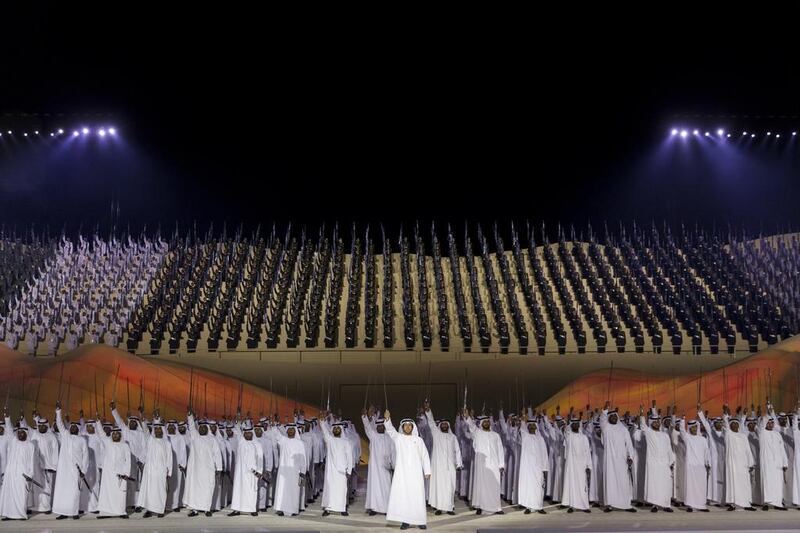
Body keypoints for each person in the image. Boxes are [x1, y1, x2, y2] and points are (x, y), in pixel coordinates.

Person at [383, 410, 431, 530]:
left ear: (413, 427)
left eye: (410, 425)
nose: (408, 427)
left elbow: (425, 456)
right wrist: (388, 419)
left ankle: (420, 521)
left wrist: (427, 471)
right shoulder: (399, 438)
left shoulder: (419, 440)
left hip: (416, 475)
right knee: (404, 497)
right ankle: (406, 521)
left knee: (418, 496)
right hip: (402, 474)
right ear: (403, 427)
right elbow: (390, 430)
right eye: (406, 425)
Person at [461, 410, 505, 515]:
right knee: (481, 485)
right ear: (481, 424)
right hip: (481, 464)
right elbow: (471, 426)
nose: (486, 423)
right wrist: (467, 417)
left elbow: (500, 450)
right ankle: (480, 506)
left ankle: (497, 508)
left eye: (488, 421)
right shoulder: (477, 433)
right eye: (484, 422)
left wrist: (501, 464)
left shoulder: (496, 435)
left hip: (494, 464)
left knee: (495, 485)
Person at [423, 402, 462, 516]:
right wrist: (428, 410)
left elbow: (457, 451)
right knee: (439, 487)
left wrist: (458, 464)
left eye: (446, 424)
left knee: (450, 487)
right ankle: (439, 508)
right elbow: (430, 422)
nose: (444, 426)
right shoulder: (436, 434)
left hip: (450, 467)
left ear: (448, 426)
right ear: (440, 426)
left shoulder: (453, 437)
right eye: (442, 424)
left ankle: (449, 508)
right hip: (438, 467)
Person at [51, 404, 89, 520]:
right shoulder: (65, 435)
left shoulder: (82, 440)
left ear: (78, 429)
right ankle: (63, 512)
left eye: (75, 427)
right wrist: (58, 411)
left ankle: (74, 512)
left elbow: (86, 456)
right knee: (63, 491)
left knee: (74, 491)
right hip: (64, 469)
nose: (73, 428)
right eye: (71, 426)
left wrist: (83, 470)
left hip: (75, 469)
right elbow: (60, 424)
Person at [183, 410, 223, 517]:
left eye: (204, 427)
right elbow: (191, 427)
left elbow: (217, 454)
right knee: (195, 489)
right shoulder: (195, 437)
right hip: (196, 471)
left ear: (207, 428)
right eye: (200, 427)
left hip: (208, 470)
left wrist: (218, 468)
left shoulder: (212, 439)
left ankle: (207, 509)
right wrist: (190, 416)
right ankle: (194, 510)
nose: (202, 428)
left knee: (208, 489)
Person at [599, 402, 637, 513]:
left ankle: (626, 505)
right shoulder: (606, 428)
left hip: (622, 460)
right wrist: (605, 409)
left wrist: (631, 456)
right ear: (608, 418)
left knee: (623, 482)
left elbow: (629, 444)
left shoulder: (623, 429)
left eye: (616, 416)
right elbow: (602, 420)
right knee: (610, 482)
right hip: (610, 460)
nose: (614, 417)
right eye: (612, 416)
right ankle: (610, 505)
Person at [638, 404, 675, 513]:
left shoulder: (665, 435)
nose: (657, 423)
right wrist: (641, 413)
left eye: (658, 422)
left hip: (664, 464)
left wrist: (671, 461)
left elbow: (669, 449)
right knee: (654, 485)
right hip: (653, 464)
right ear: (651, 423)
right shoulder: (649, 433)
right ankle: (655, 505)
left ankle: (667, 505)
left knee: (665, 485)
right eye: (654, 422)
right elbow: (643, 426)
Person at [719, 406, 756, 511]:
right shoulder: (729, 435)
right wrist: (725, 414)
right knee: (733, 484)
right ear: (730, 426)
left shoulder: (743, 436)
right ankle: (733, 504)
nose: (735, 425)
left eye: (736, 424)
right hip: (733, 465)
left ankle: (746, 504)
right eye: (733, 424)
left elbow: (748, 450)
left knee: (745, 485)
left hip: (743, 465)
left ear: (739, 426)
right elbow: (725, 424)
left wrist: (750, 463)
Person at [93, 418, 132, 519]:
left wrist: (127, 474)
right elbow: (101, 433)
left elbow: (128, 461)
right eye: (113, 434)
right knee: (107, 493)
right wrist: (98, 422)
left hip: (121, 473)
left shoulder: (125, 446)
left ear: (120, 435)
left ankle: (121, 512)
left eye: (117, 434)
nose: (115, 435)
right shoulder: (108, 443)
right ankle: (105, 512)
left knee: (120, 493)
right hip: (108, 474)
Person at [0, 412, 35, 521]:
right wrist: (7, 418)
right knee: (9, 494)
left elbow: (31, 461)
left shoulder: (30, 445)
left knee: (21, 494)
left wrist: (30, 474)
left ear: (26, 434)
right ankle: (9, 514)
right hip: (11, 473)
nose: (20, 434)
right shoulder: (14, 441)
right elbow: (10, 430)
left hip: (23, 474)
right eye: (18, 433)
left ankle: (21, 514)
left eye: (22, 433)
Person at [269, 421, 308, 517]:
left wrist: (303, 471)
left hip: (295, 471)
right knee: (281, 489)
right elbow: (277, 434)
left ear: (295, 431)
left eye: (292, 429)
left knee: (294, 490)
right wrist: (274, 426)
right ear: (287, 431)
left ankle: (293, 509)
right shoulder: (283, 441)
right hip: (284, 471)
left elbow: (303, 458)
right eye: (289, 429)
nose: (290, 431)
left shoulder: (300, 443)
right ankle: (281, 509)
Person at [137, 416, 172, 518]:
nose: (157, 430)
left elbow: (169, 458)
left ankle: (160, 510)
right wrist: (143, 422)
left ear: (163, 430)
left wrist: (169, 472)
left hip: (161, 470)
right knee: (150, 490)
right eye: (155, 428)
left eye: (159, 428)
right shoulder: (150, 440)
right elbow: (146, 432)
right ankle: (149, 510)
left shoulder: (167, 443)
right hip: (150, 470)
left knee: (160, 490)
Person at [228, 417, 263, 517]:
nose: (247, 434)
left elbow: (260, 459)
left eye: (249, 433)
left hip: (252, 473)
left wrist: (259, 471)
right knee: (238, 490)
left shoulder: (257, 444)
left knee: (251, 491)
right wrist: (238, 417)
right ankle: (236, 509)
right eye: (246, 433)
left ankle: (252, 509)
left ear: (252, 433)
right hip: (240, 473)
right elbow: (236, 428)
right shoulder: (241, 441)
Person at [319, 415, 354, 516]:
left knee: (342, 490)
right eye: (335, 428)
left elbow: (349, 457)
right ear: (332, 429)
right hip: (331, 471)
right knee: (330, 489)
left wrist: (349, 471)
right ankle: (327, 508)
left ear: (341, 430)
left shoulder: (346, 442)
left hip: (342, 471)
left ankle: (342, 508)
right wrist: (322, 422)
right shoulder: (330, 440)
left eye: (338, 428)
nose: (336, 429)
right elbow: (325, 432)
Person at [362, 406, 394, 516]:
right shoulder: (373, 436)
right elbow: (367, 427)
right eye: (378, 425)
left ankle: (387, 508)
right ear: (376, 426)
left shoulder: (389, 438)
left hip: (386, 467)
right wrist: (364, 417)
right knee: (374, 487)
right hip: (375, 468)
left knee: (386, 486)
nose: (380, 427)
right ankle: (374, 508)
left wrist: (393, 465)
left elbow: (393, 452)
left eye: (382, 425)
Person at [757, 403, 789, 511]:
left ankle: (778, 503)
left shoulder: (777, 434)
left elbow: (782, 450)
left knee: (777, 483)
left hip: (778, 464)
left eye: (772, 422)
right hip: (767, 463)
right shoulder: (762, 433)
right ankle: (766, 503)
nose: (770, 424)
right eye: (768, 422)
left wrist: (784, 463)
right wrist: (768, 411)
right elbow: (761, 424)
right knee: (767, 482)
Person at [516, 413, 549, 514]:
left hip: (538, 468)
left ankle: (539, 506)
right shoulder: (525, 437)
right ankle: (528, 507)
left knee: (539, 487)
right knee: (528, 487)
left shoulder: (541, 439)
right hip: (527, 468)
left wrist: (545, 469)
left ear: (536, 427)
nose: (531, 426)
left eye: (533, 425)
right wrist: (522, 419)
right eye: (529, 425)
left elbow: (544, 455)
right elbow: (521, 429)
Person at [676, 415, 710, 512]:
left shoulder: (702, 439)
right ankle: (690, 505)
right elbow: (682, 430)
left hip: (701, 466)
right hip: (690, 466)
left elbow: (706, 452)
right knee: (690, 487)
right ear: (689, 429)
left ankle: (701, 505)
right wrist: (682, 419)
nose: (694, 429)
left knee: (701, 487)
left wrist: (708, 463)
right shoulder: (687, 438)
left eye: (695, 427)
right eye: (692, 428)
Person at [561, 413, 592, 514]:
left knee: (583, 486)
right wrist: (568, 420)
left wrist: (588, 466)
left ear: (579, 425)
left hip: (582, 466)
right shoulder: (569, 437)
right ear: (571, 425)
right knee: (572, 485)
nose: (575, 425)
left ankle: (585, 506)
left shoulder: (584, 438)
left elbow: (587, 452)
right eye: (573, 424)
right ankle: (572, 505)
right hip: (572, 466)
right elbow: (565, 432)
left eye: (576, 424)